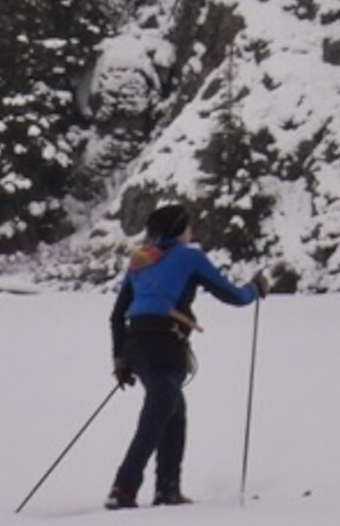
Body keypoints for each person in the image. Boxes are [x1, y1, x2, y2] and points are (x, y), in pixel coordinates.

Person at [106, 202, 261, 508]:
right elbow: (231, 295)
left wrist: (120, 360)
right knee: (158, 413)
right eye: (189, 227)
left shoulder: (140, 259)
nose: (191, 233)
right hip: (166, 345)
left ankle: (167, 488)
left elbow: (116, 315)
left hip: (136, 344)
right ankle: (124, 489)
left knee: (172, 409)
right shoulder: (189, 257)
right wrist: (255, 289)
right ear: (179, 229)